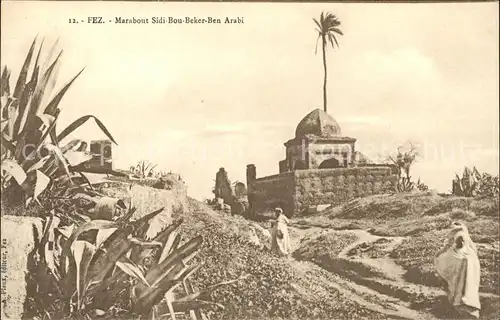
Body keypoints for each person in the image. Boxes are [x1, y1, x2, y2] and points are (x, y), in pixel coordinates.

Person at [434, 221, 481, 319]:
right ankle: (462, 305)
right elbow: (445, 254)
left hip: (466, 267)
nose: (461, 241)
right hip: (460, 266)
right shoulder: (456, 251)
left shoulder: (469, 253)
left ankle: (465, 305)